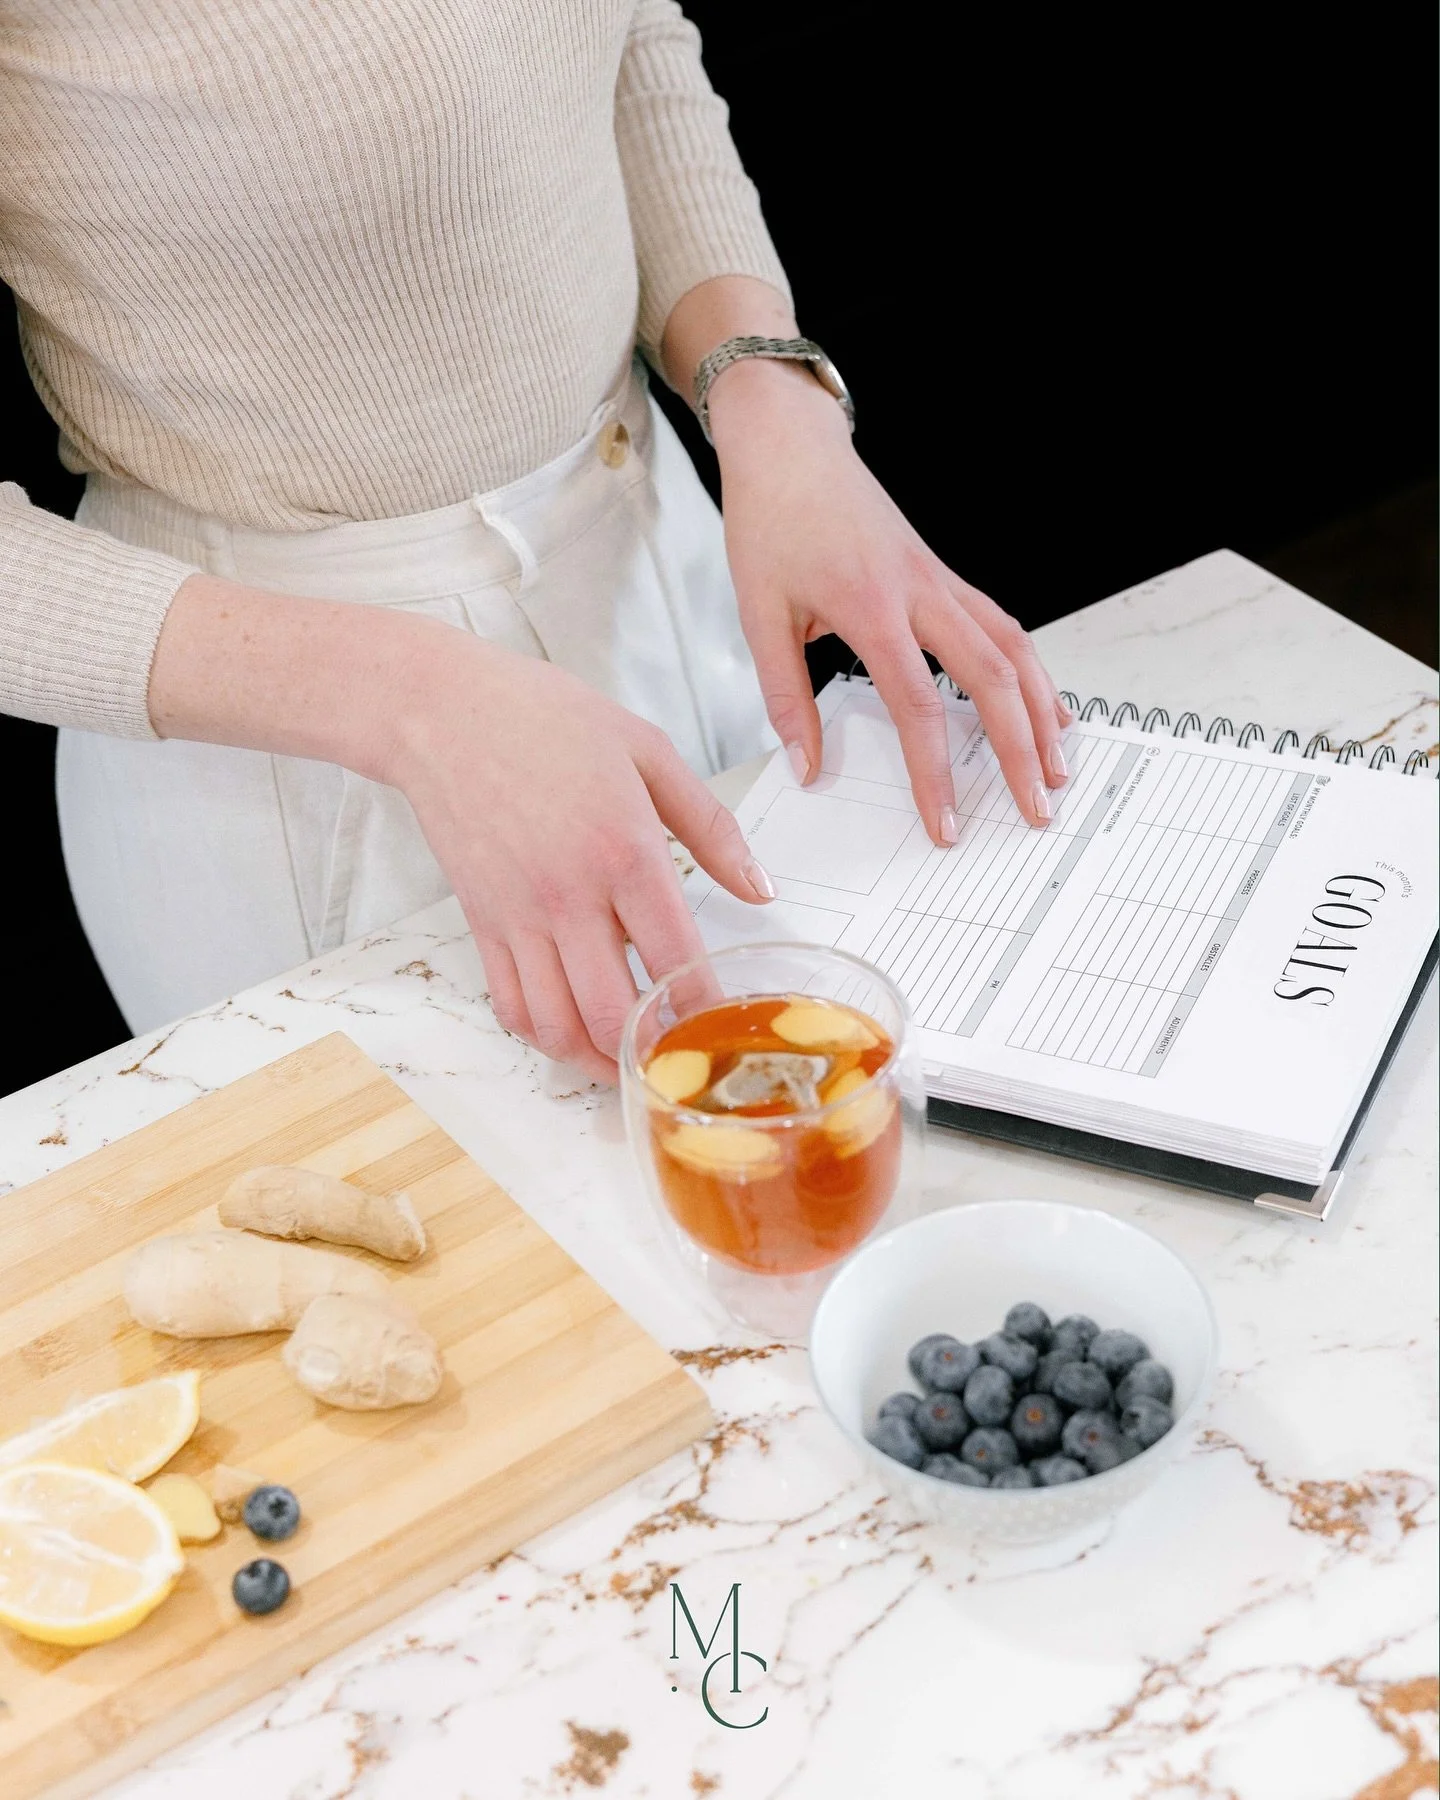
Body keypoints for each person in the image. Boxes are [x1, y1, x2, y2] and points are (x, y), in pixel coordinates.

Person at [0, 1, 1070, 1083]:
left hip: (661, 575)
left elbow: (620, 40)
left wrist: (762, 386)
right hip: (313, 751)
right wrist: (415, 705)